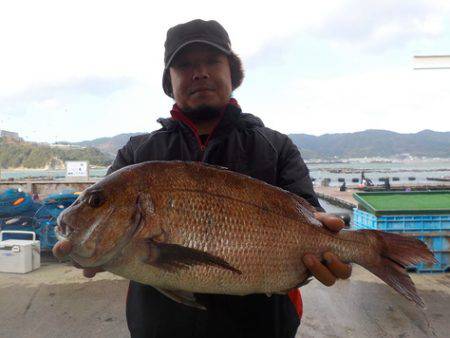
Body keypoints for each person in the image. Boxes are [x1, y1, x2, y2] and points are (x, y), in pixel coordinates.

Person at [53, 19, 351, 338]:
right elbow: (110, 234)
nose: (200, 72)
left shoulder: (276, 147)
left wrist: (333, 252)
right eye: (184, 65)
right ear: (169, 80)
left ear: (232, 73)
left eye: (212, 61)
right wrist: (92, 252)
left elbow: (311, 218)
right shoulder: (137, 153)